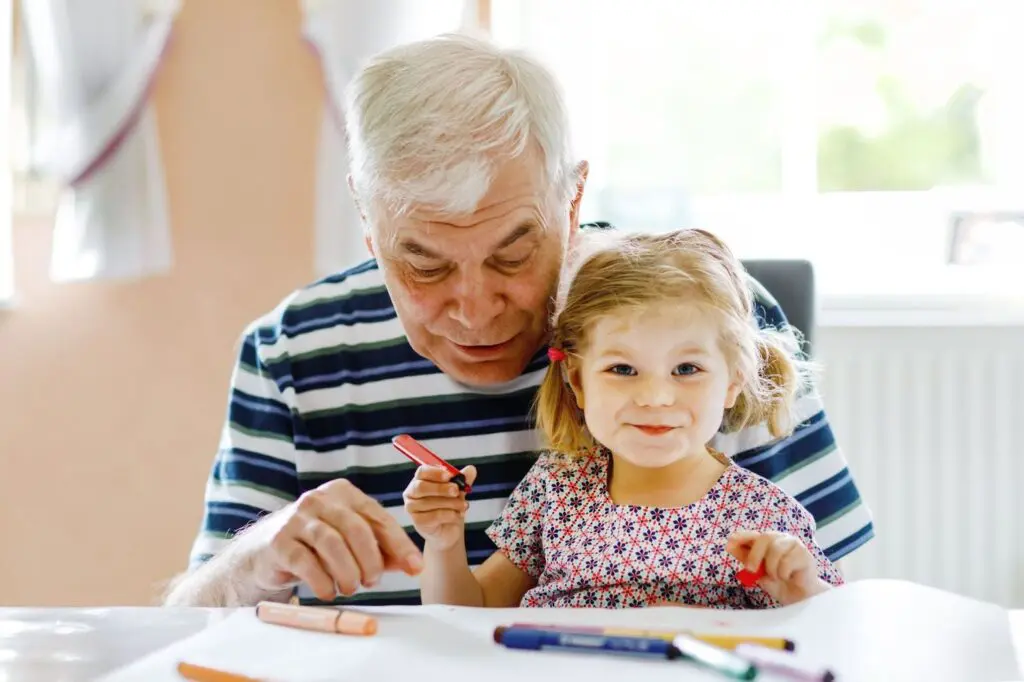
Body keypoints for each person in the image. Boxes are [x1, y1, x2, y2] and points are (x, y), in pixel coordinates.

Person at [163, 34, 873, 608]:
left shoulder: (703, 316)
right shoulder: (292, 353)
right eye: (425, 264)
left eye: (513, 253)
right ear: (367, 221)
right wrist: (254, 559)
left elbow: (842, 612)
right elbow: (187, 626)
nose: (475, 310)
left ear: (573, 197)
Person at [406, 229, 844, 608]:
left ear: (733, 382)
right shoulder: (557, 487)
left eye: (686, 369)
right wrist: (444, 543)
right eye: (622, 369)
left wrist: (804, 592)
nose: (654, 397)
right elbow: (468, 611)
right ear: (577, 380)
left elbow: (833, 628)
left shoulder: (763, 515)